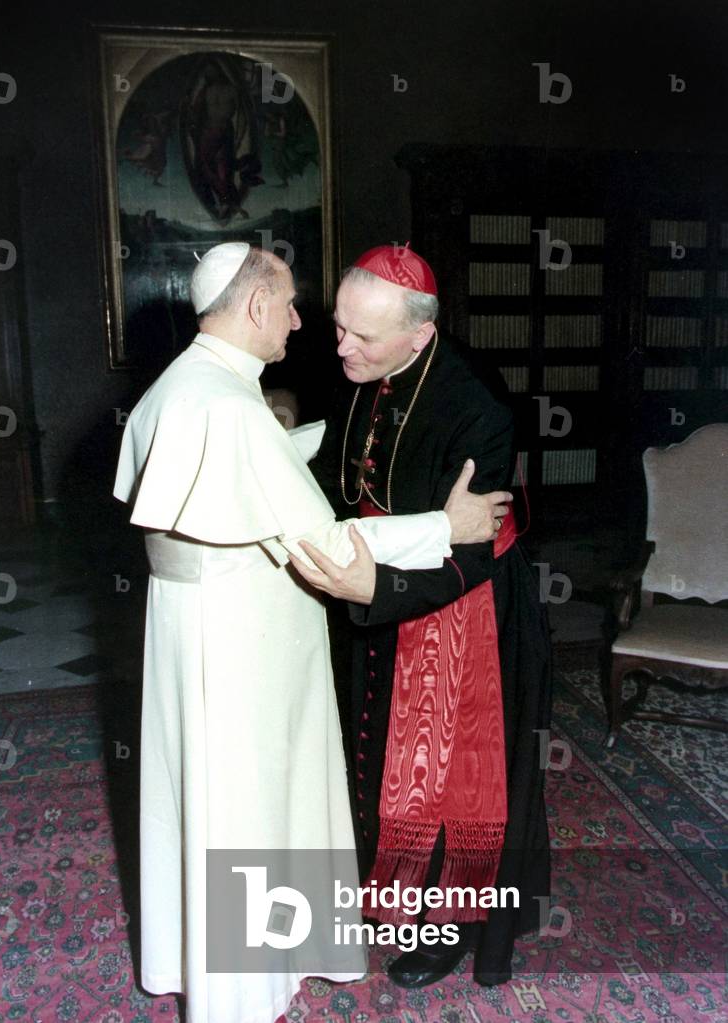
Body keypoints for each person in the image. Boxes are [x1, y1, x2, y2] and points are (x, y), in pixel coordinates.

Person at [113, 242, 512, 1023]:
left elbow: (250, 486)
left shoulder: (185, 386)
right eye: (296, 308)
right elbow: (323, 542)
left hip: (204, 634)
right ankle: (242, 989)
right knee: (245, 806)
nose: (306, 328)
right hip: (239, 649)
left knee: (210, 803)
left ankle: (226, 951)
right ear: (255, 307)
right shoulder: (230, 410)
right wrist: (447, 523)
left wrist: (287, 446)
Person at [294, 243, 552, 989]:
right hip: (376, 583)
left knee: (450, 783)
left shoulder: (477, 408)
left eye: (360, 335)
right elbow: (344, 471)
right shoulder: (360, 368)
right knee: (374, 757)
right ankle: (390, 894)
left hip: (461, 612)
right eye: (338, 326)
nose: (339, 346)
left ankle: (454, 926)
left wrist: (371, 590)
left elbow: (472, 550)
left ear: (419, 335)